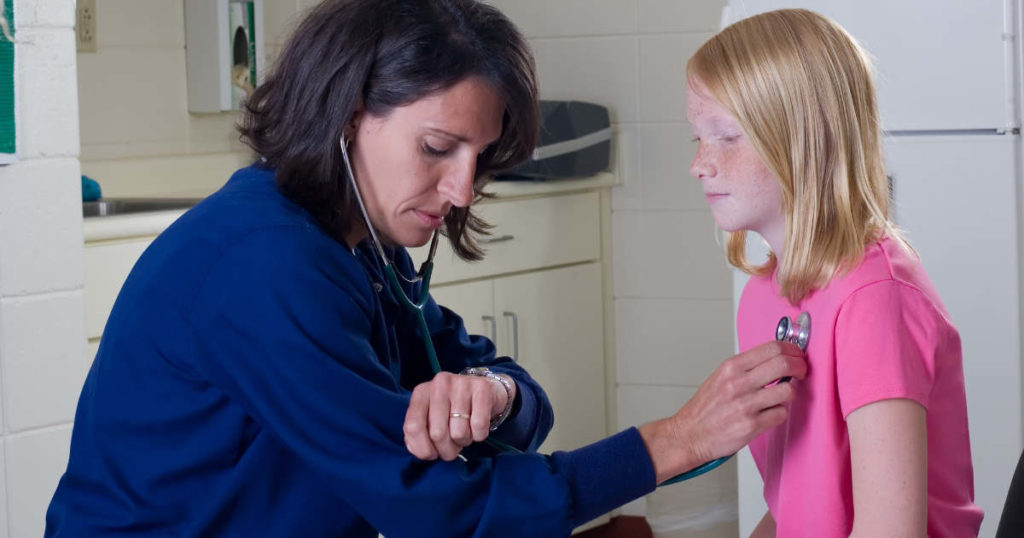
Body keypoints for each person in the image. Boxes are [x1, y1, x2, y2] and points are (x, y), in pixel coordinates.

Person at [46, 1, 806, 536]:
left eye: (480, 158)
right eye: (439, 149)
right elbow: (439, 509)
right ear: (347, 115)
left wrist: (491, 395)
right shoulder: (262, 266)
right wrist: (676, 440)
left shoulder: (358, 249)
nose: (463, 189)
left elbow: (508, 399)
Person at [685, 8, 984, 537]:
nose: (700, 163)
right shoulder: (765, 295)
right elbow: (791, 507)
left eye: (727, 137)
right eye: (697, 139)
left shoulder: (874, 298)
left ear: (807, 141)